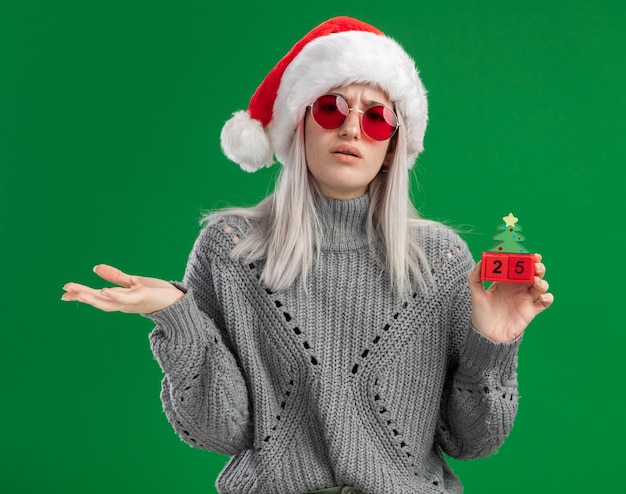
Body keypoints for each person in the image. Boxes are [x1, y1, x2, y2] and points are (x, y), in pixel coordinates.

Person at [62, 16, 553, 494]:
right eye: (331, 108)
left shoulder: (440, 261)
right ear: (299, 125)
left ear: (394, 146)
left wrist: (492, 343)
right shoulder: (231, 249)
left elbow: (472, 440)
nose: (353, 129)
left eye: (378, 117)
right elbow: (221, 430)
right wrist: (177, 316)